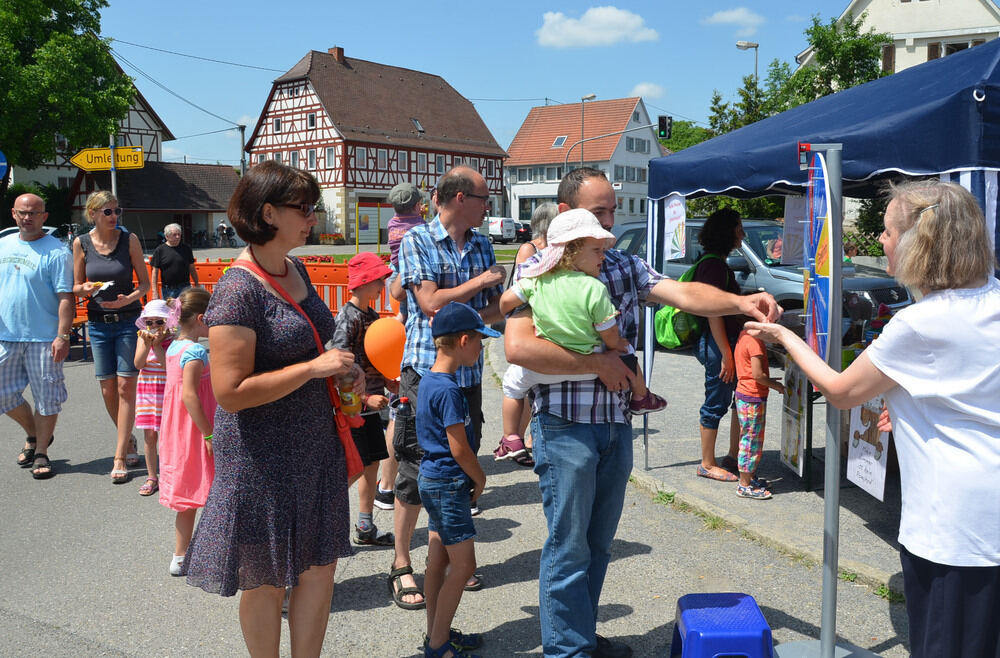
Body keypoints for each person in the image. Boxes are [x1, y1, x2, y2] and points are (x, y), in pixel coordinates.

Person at [504, 167, 779, 658]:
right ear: (568, 216)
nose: (611, 223)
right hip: (565, 427)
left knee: (598, 546)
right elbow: (519, 349)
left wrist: (740, 300)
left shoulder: (623, 265)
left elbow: (684, 294)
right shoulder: (538, 270)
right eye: (600, 212)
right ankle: (566, 651)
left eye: (613, 211)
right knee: (568, 549)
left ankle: (581, 638)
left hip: (614, 426)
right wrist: (600, 363)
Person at [747, 180, 999, 658]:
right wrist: (916, 412)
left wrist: (786, 338)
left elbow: (841, 393)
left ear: (920, 241)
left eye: (887, 231)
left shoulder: (922, 322)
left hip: (954, 526)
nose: (881, 241)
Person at [183, 160, 359, 657]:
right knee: (266, 581)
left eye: (312, 207)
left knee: (318, 568)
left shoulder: (296, 268)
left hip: (313, 445)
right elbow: (231, 392)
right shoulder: (238, 289)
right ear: (267, 212)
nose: (313, 217)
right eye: (303, 208)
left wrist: (345, 370)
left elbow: (316, 346)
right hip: (262, 458)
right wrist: (311, 370)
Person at [389, 166, 505, 610]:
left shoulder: (481, 243)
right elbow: (430, 302)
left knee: (456, 468)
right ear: (459, 198)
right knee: (417, 468)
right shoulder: (417, 239)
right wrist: (482, 284)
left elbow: (487, 314)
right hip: (426, 371)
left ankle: (444, 557)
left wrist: (516, 295)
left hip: (468, 374)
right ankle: (402, 564)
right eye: (483, 198)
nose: (488, 206)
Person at [496, 209, 667, 461]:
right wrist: (617, 343)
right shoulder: (594, 288)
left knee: (512, 385)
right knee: (628, 354)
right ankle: (641, 397)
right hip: (592, 367)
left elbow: (505, 302)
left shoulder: (537, 279)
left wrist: (514, 308)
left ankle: (511, 438)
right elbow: (607, 333)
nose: (603, 255)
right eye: (596, 251)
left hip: (546, 367)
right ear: (573, 251)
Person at [416, 302, 495, 658]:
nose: (482, 348)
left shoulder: (429, 380)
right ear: (463, 340)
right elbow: (459, 448)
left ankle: (438, 632)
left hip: (432, 480)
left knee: (438, 562)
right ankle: (437, 646)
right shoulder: (448, 389)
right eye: (480, 341)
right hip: (449, 483)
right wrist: (479, 480)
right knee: (465, 565)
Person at [73, 190, 151, 484]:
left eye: (117, 210)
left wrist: (125, 300)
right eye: (107, 212)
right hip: (97, 324)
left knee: (124, 387)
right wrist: (87, 289)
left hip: (128, 320)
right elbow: (76, 286)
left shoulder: (128, 239)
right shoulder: (80, 243)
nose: (114, 216)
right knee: (107, 390)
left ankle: (119, 455)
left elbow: (144, 284)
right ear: (92, 213)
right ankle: (127, 438)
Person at [0, 193, 73, 480]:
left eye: (34, 213)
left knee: (47, 398)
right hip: (6, 336)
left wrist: (63, 336)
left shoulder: (56, 252)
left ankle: (41, 451)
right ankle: (33, 433)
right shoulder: (2, 245)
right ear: (13, 214)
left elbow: (65, 297)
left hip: (44, 338)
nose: (27, 217)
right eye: (22, 212)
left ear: (44, 216)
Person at [331, 252, 395, 547]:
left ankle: (365, 526)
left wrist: (388, 381)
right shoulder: (347, 317)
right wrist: (366, 397)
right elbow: (341, 367)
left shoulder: (371, 316)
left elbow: (376, 357)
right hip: (355, 407)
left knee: (370, 465)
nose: (383, 284)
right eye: (379, 279)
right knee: (353, 469)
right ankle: (324, 526)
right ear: (365, 281)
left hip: (372, 404)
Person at [492, 202, 559, 466]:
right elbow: (522, 287)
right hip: (525, 325)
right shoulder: (529, 249)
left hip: (539, 326)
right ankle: (513, 439)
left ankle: (523, 438)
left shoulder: (550, 250)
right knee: (521, 385)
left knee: (531, 387)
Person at [158, 287, 215, 576]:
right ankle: (213, 553)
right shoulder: (194, 351)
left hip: (178, 429)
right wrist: (209, 434)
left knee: (189, 496)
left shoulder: (174, 347)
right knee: (213, 489)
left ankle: (180, 557)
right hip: (196, 428)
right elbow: (190, 395)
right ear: (202, 318)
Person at [690, 208, 747, 483]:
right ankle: (707, 463)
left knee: (737, 398)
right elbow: (712, 312)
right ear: (727, 232)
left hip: (723, 344)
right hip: (718, 345)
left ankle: (733, 456)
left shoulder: (717, 263)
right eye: (739, 229)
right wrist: (726, 354)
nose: (743, 234)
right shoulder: (713, 265)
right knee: (717, 401)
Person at [731, 328, 784, 500]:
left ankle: (749, 478)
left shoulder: (744, 334)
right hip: (752, 397)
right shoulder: (755, 343)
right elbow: (758, 375)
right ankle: (744, 485)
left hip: (744, 394)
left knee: (749, 437)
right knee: (751, 441)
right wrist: (775, 386)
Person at [133, 299, 178, 496]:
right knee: (150, 435)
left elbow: (169, 368)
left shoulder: (174, 340)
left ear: (167, 322)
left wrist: (158, 345)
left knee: (169, 435)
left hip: (167, 392)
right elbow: (138, 364)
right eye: (149, 322)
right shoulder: (142, 339)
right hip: (148, 392)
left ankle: (171, 473)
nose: (153, 327)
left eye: (158, 322)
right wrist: (146, 343)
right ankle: (152, 476)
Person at [150, 223, 199, 299]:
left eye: (179, 234)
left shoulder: (186, 249)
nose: (178, 237)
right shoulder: (160, 250)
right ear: (167, 236)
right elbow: (155, 272)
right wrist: (154, 292)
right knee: (170, 311)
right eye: (174, 235)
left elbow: (192, 268)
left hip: (185, 288)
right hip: (168, 290)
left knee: (185, 310)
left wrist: (196, 284)